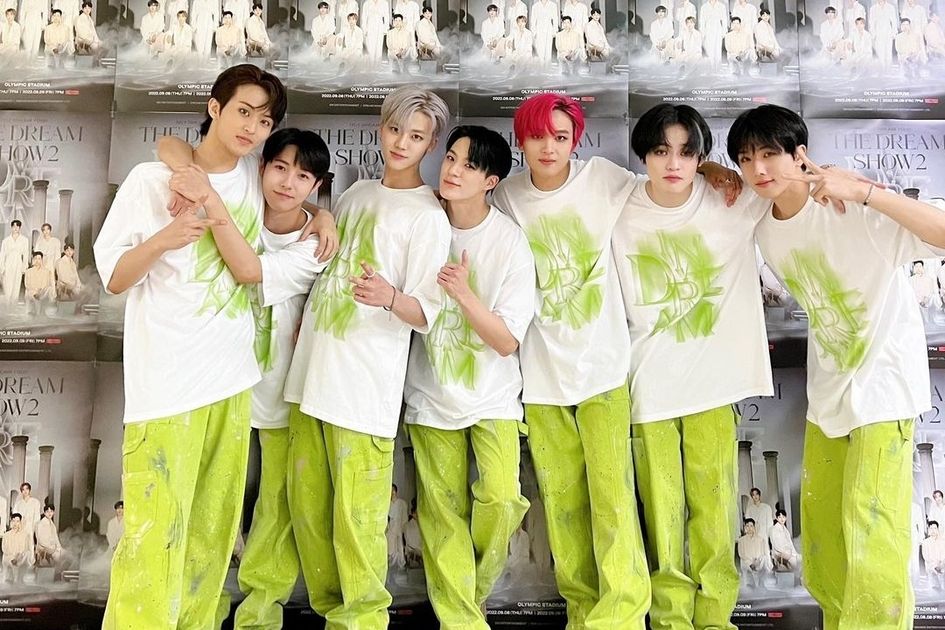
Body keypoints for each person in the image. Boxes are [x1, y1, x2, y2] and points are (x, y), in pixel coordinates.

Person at [728, 103, 945, 629]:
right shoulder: (761, 218)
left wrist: (867, 192)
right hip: (828, 398)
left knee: (874, 538)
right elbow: (710, 187)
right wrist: (716, 169)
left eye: (770, 154)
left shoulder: (853, 209)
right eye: (746, 158)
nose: (759, 168)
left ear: (800, 154)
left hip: (884, 391)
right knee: (825, 545)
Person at [92, 64, 288, 630]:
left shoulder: (253, 177)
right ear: (214, 107)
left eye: (264, 120)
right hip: (166, 388)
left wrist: (321, 216)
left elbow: (292, 203)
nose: (252, 127)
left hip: (231, 380)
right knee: (154, 538)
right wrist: (165, 238)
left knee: (212, 537)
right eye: (243, 112)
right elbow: (115, 277)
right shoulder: (149, 181)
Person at [282, 86, 451, 630]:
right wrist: (320, 213)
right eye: (395, 129)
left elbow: (427, 312)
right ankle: (332, 615)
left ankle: (362, 621)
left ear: (430, 144)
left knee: (358, 524)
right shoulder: (355, 195)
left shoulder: (429, 217)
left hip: (363, 390)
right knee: (309, 515)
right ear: (382, 128)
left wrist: (390, 297)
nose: (401, 143)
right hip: (310, 375)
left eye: (416, 136)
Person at [153, 128, 334, 630]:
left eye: (303, 177)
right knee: (212, 504)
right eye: (280, 168)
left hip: (281, 389)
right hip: (219, 381)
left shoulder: (314, 245)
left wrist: (323, 216)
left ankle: (259, 614)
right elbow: (170, 145)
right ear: (262, 166)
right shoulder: (243, 194)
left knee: (275, 508)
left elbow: (250, 271)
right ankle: (199, 612)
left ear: (317, 185)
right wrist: (189, 178)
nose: (288, 183)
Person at [491, 93, 649, 628]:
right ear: (521, 139)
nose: (549, 147)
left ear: (575, 141)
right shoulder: (506, 195)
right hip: (540, 377)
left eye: (561, 137)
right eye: (538, 136)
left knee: (613, 502)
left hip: (604, 370)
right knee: (562, 508)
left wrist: (713, 170)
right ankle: (583, 614)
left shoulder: (601, 178)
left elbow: (666, 190)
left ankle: (622, 617)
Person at [612, 103, 767, 630]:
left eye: (686, 152)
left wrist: (717, 169)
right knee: (662, 521)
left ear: (701, 155)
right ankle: (671, 620)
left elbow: (786, 185)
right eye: (661, 151)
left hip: (714, 388)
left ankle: (716, 620)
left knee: (715, 517)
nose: (673, 163)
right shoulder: (618, 204)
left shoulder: (732, 200)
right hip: (649, 388)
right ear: (643, 155)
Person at [403, 125, 533, 629]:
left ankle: (470, 592)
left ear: (491, 181)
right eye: (451, 158)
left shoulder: (508, 240)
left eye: (470, 165)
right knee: (442, 517)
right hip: (430, 395)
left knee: (501, 499)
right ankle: (462, 620)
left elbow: (507, 341)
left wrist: (463, 294)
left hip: (494, 397)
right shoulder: (422, 220)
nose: (453, 170)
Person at [737, 519, 772, 588]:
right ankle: (754, 584)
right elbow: (741, 554)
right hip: (747, 562)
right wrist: (751, 562)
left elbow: (763, 553)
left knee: (764, 560)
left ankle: (760, 583)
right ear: (745, 527)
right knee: (749, 566)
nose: (749, 528)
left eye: (751, 526)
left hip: (758, 561)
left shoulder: (760, 539)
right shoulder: (741, 540)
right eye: (747, 526)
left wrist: (757, 561)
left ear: (754, 527)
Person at [0, 220, 28, 305]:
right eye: (14, 226)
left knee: (16, 284)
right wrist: (2, 267)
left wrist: (24, 266)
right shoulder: (6, 240)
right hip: (8, 262)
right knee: (7, 284)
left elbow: (26, 254)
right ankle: (7, 303)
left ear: (20, 228)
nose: (15, 228)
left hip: (18, 262)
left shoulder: (24, 240)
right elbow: (2, 255)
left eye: (17, 226)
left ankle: (14, 304)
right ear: (11, 227)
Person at [2, 514, 31, 583]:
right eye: (13, 521)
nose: (15, 523)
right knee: (7, 559)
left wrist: (16, 558)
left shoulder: (25, 535)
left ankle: (17, 580)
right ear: (10, 522)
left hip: (19, 557)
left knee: (25, 555)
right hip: (9, 557)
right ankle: (10, 578)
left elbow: (23, 549)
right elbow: (4, 549)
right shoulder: (6, 535)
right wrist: (12, 557)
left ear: (20, 522)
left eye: (17, 521)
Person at [13, 482, 42, 549]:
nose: (25, 491)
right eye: (23, 489)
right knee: (20, 545)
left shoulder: (35, 502)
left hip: (30, 526)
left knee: (29, 545)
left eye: (27, 489)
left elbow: (37, 517)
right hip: (20, 526)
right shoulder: (18, 504)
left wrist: (34, 528)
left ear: (29, 490)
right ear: (21, 491)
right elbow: (15, 516)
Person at [869, 0, 898, 69]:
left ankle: (888, 70)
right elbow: (871, 22)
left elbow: (894, 21)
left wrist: (894, 33)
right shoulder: (873, 8)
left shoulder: (890, 7)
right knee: (880, 54)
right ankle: (881, 70)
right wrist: (873, 34)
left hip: (888, 33)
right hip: (878, 34)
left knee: (888, 53)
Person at [698, 0, 726, 68]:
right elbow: (702, 21)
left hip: (718, 29)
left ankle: (717, 67)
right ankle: (711, 68)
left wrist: (724, 32)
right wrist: (702, 33)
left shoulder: (721, 6)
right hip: (708, 30)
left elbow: (724, 20)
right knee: (709, 50)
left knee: (718, 50)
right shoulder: (704, 7)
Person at [387, 483, 409, 568]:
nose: (392, 492)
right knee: (391, 546)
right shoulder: (387, 503)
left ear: (396, 491)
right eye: (390, 490)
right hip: (391, 527)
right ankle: (391, 563)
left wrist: (403, 527)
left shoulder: (402, 503)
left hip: (399, 526)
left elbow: (404, 516)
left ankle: (401, 562)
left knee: (399, 545)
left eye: (393, 490)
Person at [924, 521, 945, 589]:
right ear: (928, 530)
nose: (933, 531)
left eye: (935, 528)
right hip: (931, 568)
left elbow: (943, 555)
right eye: (931, 528)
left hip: (941, 567)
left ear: (938, 529)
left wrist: (940, 565)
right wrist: (934, 566)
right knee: (934, 588)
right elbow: (926, 557)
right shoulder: (925, 542)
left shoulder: (942, 541)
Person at [403, 502, 422, 567]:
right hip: (412, 547)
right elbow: (408, 539)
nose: (417, 515)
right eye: (415, 513)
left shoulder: (421, 525)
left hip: (417, 547)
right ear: (412, 514)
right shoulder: (408, 525)